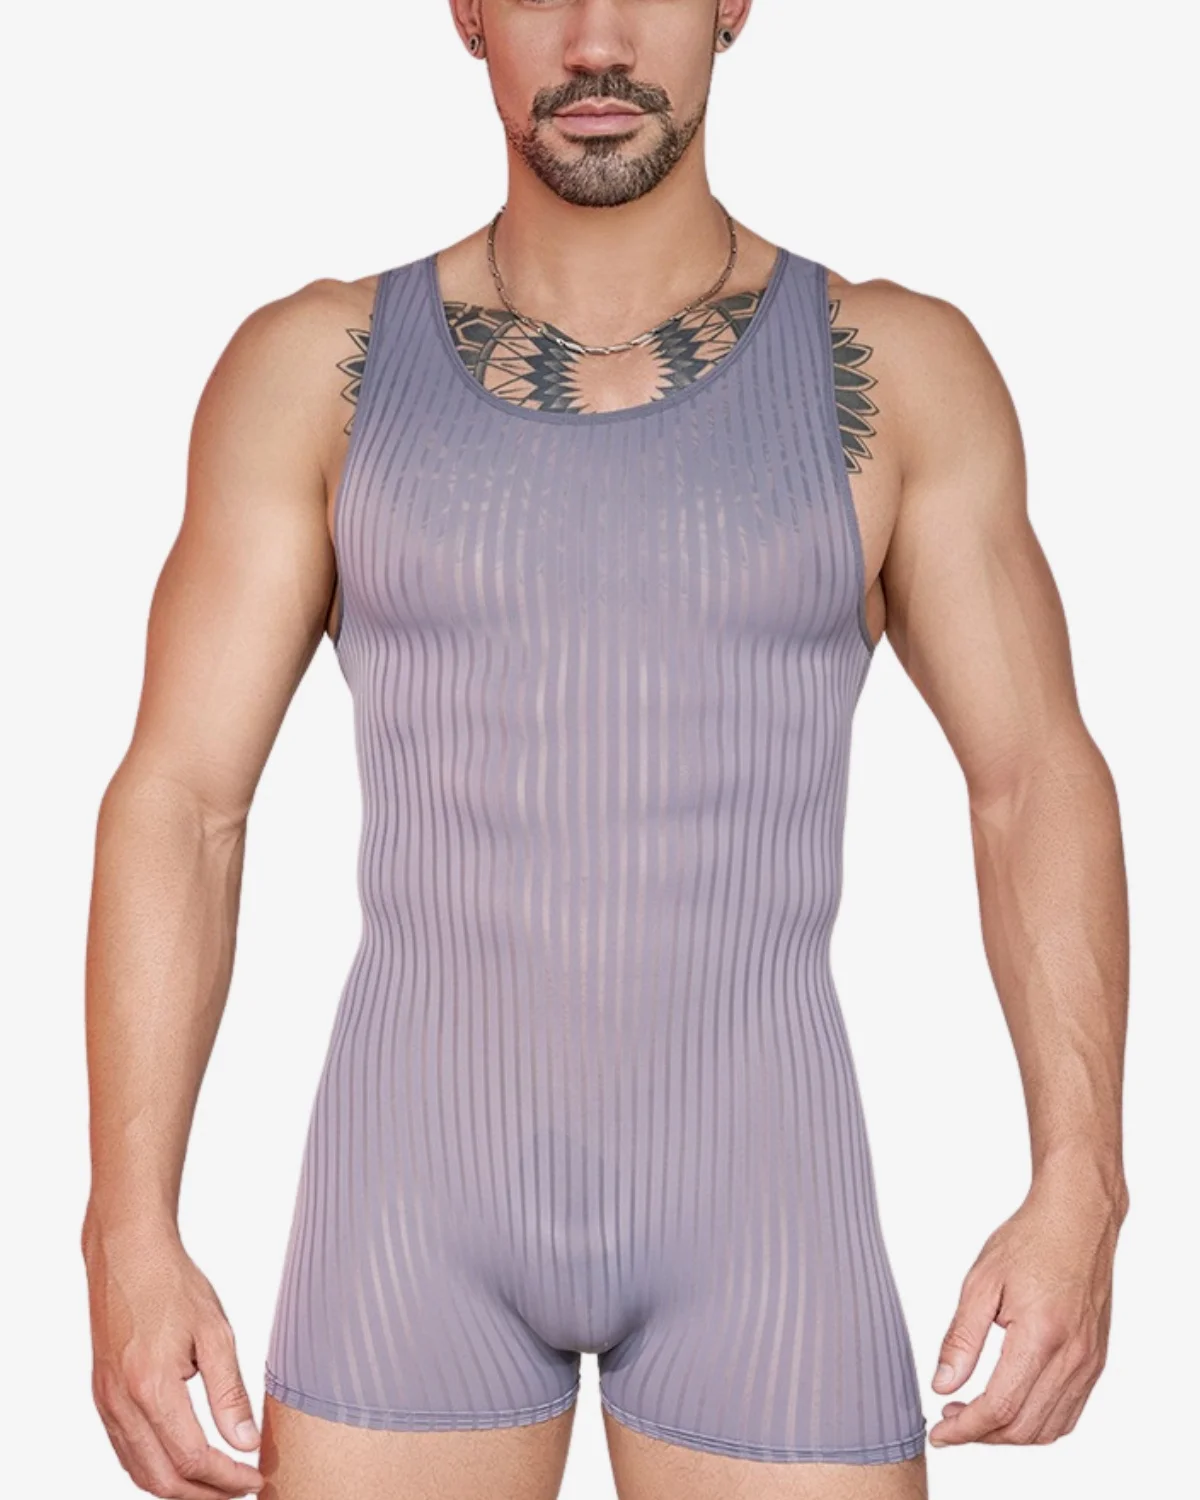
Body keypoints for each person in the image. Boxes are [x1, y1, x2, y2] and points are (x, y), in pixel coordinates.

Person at [80, 2, 1130, 1498]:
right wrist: (125, 1228)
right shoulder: (315, 370)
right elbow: (182, 801)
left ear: (732, 2)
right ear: (467, 11)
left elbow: (1033, 780)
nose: (594, 42)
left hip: (764, 1221)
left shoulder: (897, 369)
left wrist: (1083, 1182)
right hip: (412, 1219)